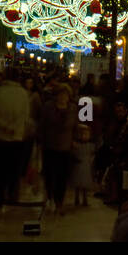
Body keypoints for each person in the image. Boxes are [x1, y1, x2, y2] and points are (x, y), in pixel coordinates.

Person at [0, 72, 30, 208]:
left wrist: (3, 126)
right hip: (17, 137)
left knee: (0, 168)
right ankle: (12, 193)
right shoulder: (23, 94)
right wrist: (14, 127)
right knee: (14, 167)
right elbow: (25, 115)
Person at [39, 82, 76, 214]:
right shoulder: (48, 107)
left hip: (65, 147)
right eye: (61, 94)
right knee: (49, 174)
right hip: (50, 145)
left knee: (62, 176)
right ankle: (49, 196)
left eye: (65, 95)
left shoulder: (72, 108)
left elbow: (76, 125)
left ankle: (59, 200)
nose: (63, 97)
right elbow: (42, 125)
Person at [70, 119, 95, 206]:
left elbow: (92, 154)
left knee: (85, 183)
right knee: (78, 182)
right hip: (78, 164)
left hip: (86, 165)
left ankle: (84, 198)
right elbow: (73, 153)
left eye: (86, 134)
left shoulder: (90, 145)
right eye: (82, 134)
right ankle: (77, 197)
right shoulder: (76, 145)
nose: (84, 136)